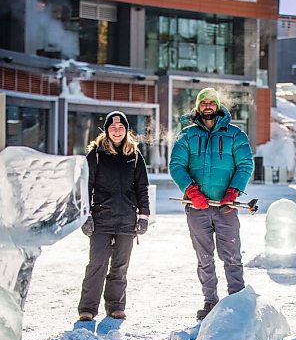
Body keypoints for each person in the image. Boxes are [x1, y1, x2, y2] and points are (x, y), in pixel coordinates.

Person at [169, 88, 254, 320]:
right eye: (203, 102)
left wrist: (233, 191)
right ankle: (210, 301)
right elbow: (176, 165)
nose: (207, 106)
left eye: (211, 102)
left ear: (218, 106)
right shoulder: (186, 136)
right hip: (197, 208)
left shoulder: (235, 135)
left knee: (232, 255)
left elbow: (245, 164)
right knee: (204, 257)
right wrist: (190, 190)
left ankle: (237, 299)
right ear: (198, 107)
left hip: (226, 207)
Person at [78, 111, 150, 321]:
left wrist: (143, 216)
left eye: (121, 128)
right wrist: (86, 215)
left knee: (120, 265)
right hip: (100, 219)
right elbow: (85, 186)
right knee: (97, 264)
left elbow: (142, 188)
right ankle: (88, 308)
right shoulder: (96, 155)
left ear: (126, 131)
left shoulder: (135, 155)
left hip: (127, 219)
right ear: (107, 130)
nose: (117, 131)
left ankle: (116, 305)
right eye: (113, 128)